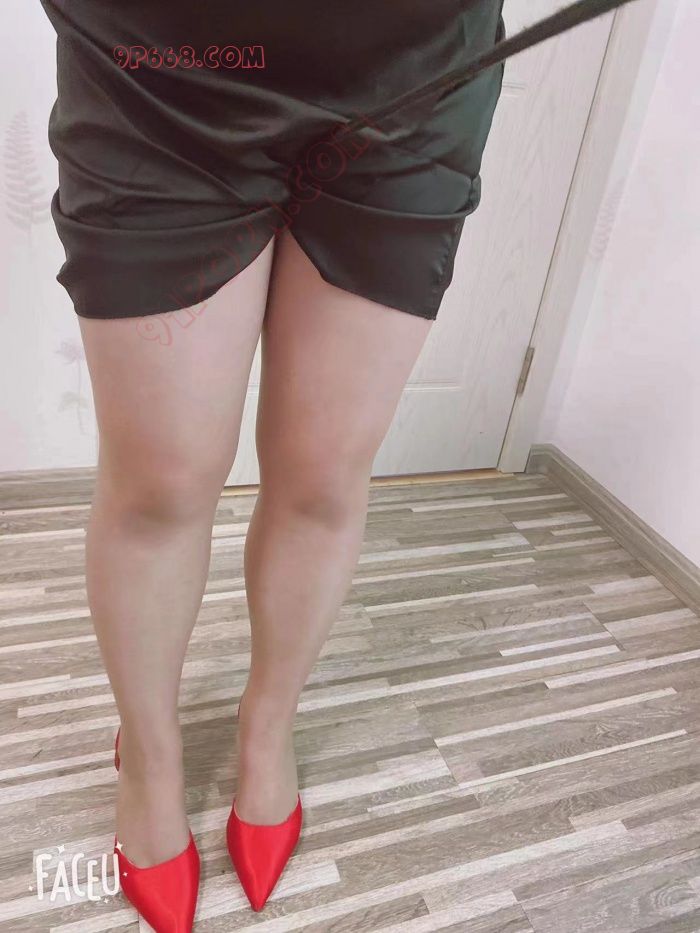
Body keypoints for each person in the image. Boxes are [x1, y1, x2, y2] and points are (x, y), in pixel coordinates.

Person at [39, 0, 505, 927]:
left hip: (413, 70)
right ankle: (151, 760)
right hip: (159, 61)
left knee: (323, 473)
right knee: (159, 485)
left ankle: (268, 727)